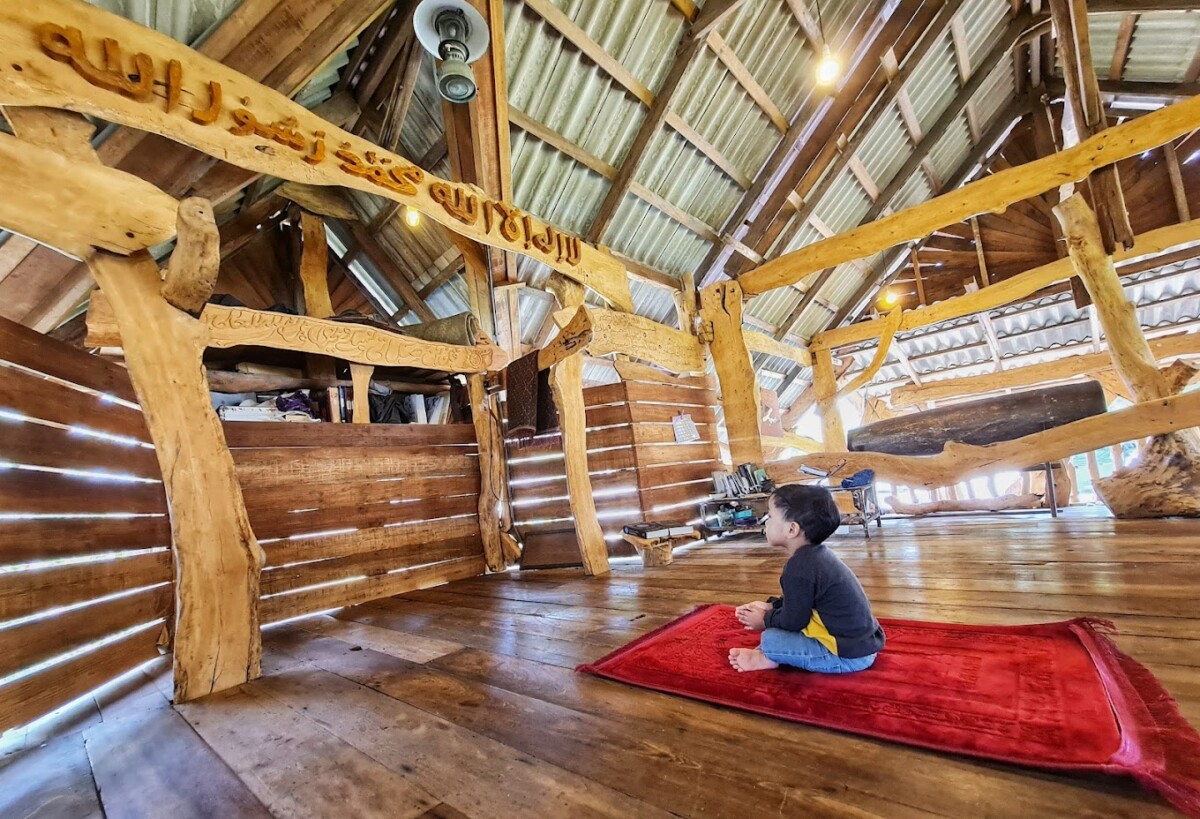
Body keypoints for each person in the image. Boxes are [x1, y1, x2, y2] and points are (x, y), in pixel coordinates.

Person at [728, 484, 885, 673]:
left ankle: (767, 656)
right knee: (777, 632)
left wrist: (764, 619)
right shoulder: (817, 557)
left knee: (770, 638)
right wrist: (772, 606)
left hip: (847, 656)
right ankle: (771, 655)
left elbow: (794, 621)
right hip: (862, 647)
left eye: (770, 516)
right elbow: (802, 601)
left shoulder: (799, 568)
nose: (766, 522)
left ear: (792, 529)